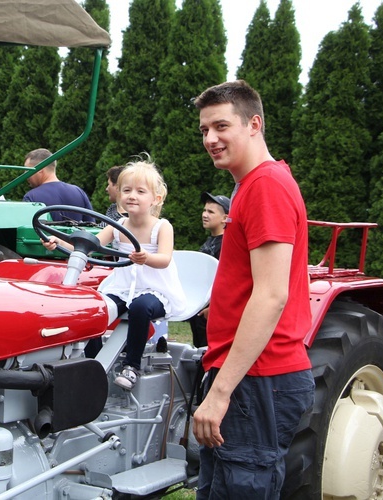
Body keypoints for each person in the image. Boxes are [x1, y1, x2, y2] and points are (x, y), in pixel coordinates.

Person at [192, 80, 314, 498]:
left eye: (221, 126)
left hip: (258, 379)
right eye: (204, 129)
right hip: (247, 376)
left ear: (254, 124)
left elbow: (271, 294)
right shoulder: (249, 186)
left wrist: (221, 391)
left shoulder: (265, 186)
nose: (210, 138)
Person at [42, 160, 186, 390]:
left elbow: (165, 258)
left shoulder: (162, 227)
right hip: (122, 287)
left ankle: (132, 366)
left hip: (156, 290)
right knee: (94, 307)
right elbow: (89, 244)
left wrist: (146, 258)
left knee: (140, 307)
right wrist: (59, 242)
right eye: (127, 190)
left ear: (155, 199)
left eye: (140, 191)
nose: (132, 196)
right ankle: (93, 363)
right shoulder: (118, 225)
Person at [187, 192, 230, 348]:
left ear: (225, 218)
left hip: (214, 312)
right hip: (199, 309)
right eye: (204, 210)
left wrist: (214, 308)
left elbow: (228, 280)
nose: (204, 215)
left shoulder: (228, 244)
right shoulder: (210, 241)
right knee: (198, 353)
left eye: (211, 212)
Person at [23, 148, 94, 222]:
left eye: (27, 170)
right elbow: (92, 226)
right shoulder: (79, 192)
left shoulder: (31, 197)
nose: (25, 175)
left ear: (40, 169)